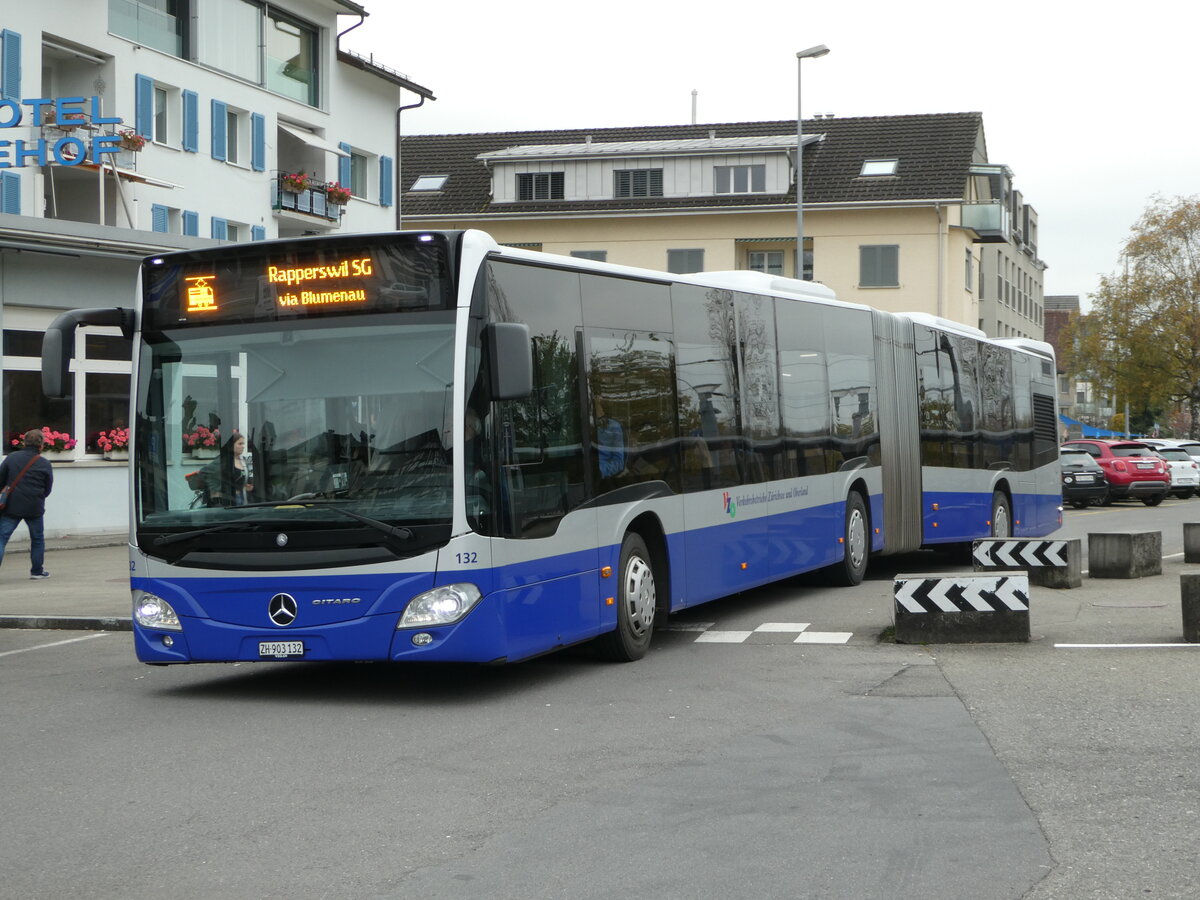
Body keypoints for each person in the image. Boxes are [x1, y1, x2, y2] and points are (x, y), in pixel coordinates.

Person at [0, 429, 55, 579]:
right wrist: (39, 497)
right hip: (34, 507)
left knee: (2, 538)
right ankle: (37, 572)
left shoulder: (11, 458)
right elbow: (48, 487)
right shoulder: (44, 464)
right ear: (41, 445)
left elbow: (1, 479)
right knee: (37, 539)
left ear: (24, 443)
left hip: (11, 506)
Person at [202, 432, 253, 507]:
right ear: (231, 445)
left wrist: (244, 486)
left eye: (243, 444)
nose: (243, 446)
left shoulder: (242, 460)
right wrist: (215, 491)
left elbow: (235, 479)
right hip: (229, 501)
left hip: (242, 498)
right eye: (240, 444)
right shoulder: (223, 460)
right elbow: (204, 472)